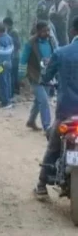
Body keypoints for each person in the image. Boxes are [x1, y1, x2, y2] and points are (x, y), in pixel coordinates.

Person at [34, 16, 78, 196]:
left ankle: (42, 184)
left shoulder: (61, 52)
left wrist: (45, 79)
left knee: (54, 144)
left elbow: (46, 76)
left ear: (72, 31)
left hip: (67, 109)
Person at [20, 20, 55, 133]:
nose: (47, 33)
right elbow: (23, 60)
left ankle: (31, 121)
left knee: (39, 100)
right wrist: (20, 77)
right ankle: (47, 127)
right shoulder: (30, 43)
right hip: (34, 75)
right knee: (44, 100)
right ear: (38, 31)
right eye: (44, 31)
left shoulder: (51, 40)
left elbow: (57, 54)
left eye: (48, 30)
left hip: (48, 75)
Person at [0, 23, 14, 109]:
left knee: (2, 82)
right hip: (8, 62)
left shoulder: (0, 41)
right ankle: (8, 99)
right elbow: (12, 51)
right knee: (7, 82)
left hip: (1, 65)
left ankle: (5, 102)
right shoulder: (9, 38)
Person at [3, 16, 21, 96]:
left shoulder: (14, 32)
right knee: (12, 74)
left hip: (15, 56)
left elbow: (17, 44)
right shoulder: (9, 32)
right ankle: (12, 91)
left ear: (7, 24)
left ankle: (15, 92)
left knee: (14, 74)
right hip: (11, 56)